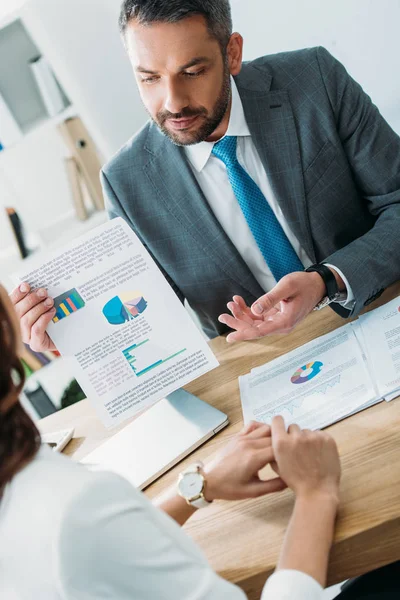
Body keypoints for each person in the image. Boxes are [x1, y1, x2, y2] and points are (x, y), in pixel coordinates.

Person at [11, 0, 400, 350]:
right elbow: (142, 317)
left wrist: (326, 280)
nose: (172, 102)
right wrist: (72, 340)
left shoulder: (314, 81)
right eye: (149, 78)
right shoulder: (126, 183)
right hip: (264, 369)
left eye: (192, 72)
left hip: (380, 312)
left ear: (232, 53)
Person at [0, 282, 342, 599]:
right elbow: (82, 534)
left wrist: (195, 487)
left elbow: (103, 552)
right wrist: (317, 494)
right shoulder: (73, 507)